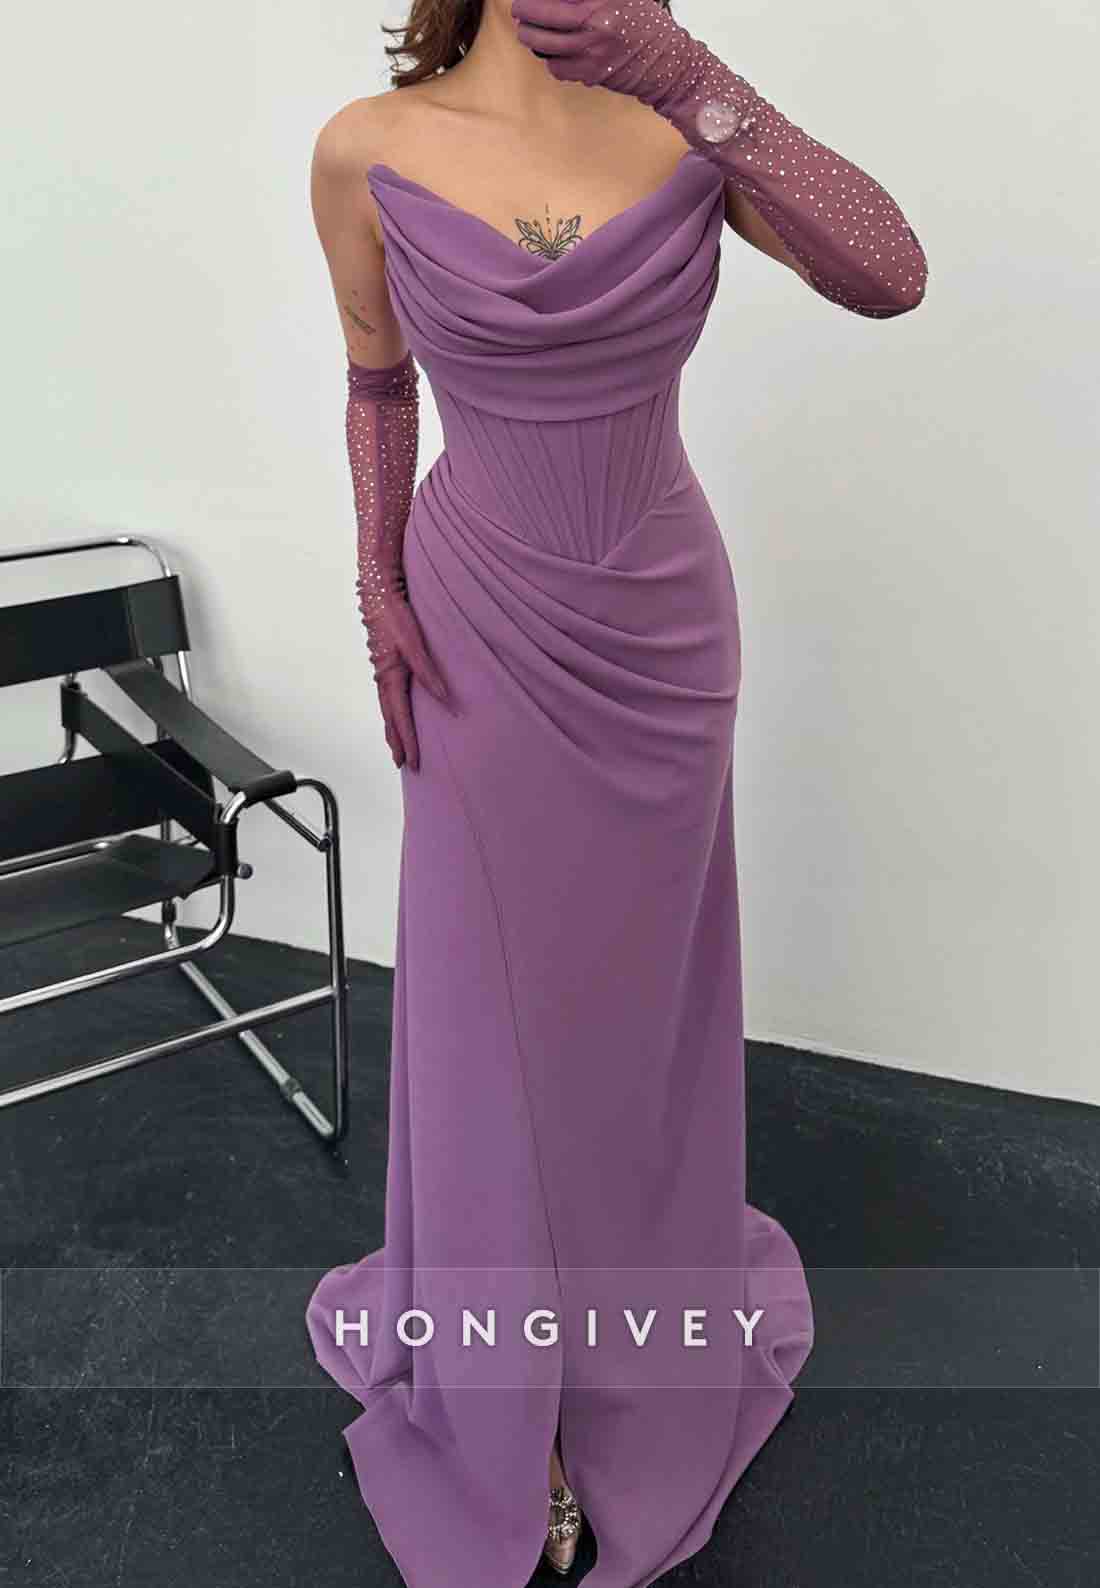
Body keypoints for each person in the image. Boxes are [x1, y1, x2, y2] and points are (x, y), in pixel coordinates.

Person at [305, 1, 927, 1583]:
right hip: (479, 630)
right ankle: (507, 1402)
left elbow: (890, 271)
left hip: (657, 633)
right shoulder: (370, 149)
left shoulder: (680, 128)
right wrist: (376, 580)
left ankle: (633, 1359)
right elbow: (379, 384)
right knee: (491, 1014)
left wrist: (695, 79)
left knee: (636, 1018)